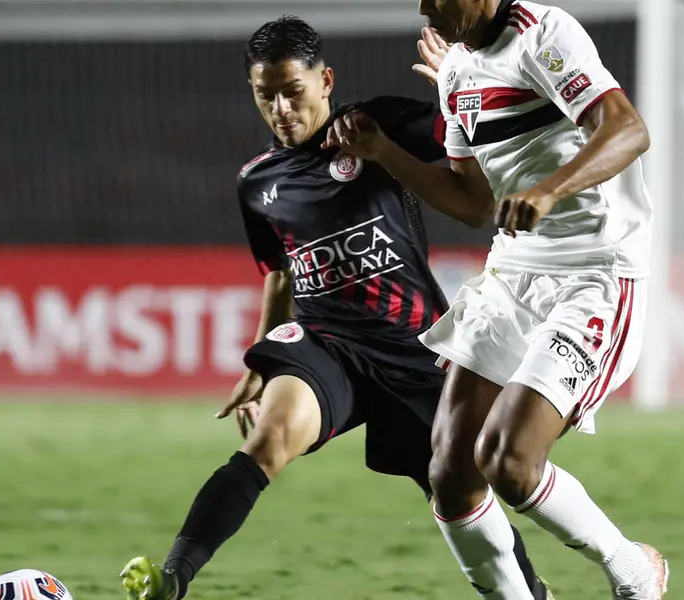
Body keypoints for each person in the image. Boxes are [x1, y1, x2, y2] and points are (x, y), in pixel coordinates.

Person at [119, 15, 554, 600]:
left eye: (292, 91)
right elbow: (280, 274)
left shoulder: (385, 122)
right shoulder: (256, 183)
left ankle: (530, 592)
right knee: (268, 440)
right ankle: (173, 578)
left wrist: (459, 83)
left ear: (325, 80)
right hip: (328, 346)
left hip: (416, 347)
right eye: (264, 95)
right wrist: (258, 365)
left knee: (458, 488)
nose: (280, 109)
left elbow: (470, 147)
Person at [322, 1, 669, 598]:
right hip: (512, 274)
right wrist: (385, 153)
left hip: (595, 271)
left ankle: (633, 571)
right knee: (451, 475)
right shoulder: (457, 70)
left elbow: (628, 129)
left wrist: (550, 189)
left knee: (508, 462)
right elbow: (473, 202)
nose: (428, 9)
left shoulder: (544, 35)